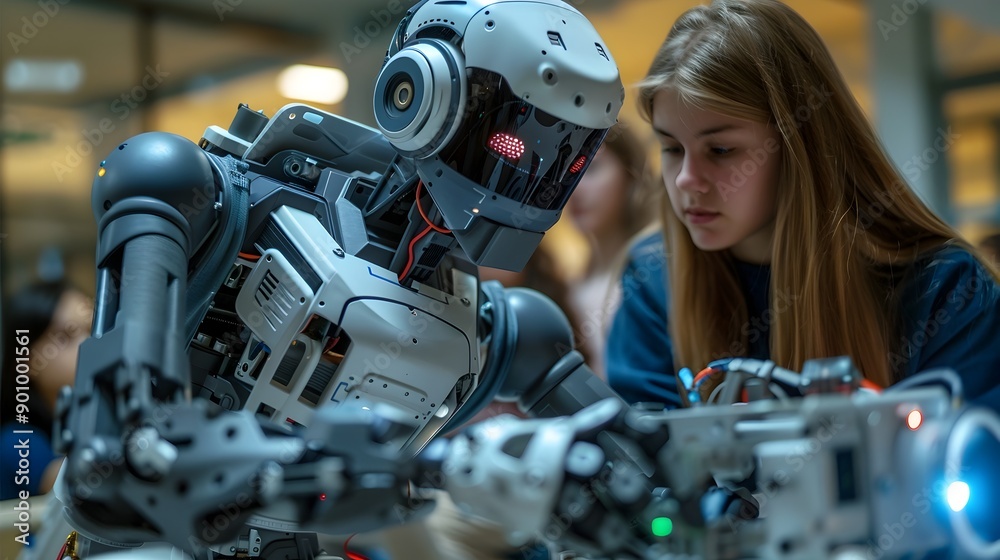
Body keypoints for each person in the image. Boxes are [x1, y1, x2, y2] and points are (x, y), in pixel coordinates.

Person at [606, 0, 1000, 412]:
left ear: (800, 147)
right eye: (670, 148)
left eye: (720, 149)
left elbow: (969, 456)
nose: (686, 178)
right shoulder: (652, 281)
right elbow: (642, 463)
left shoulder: (946, 290)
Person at [564, 122, 659, 378]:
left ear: (631, 174)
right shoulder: (571, 283)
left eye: (591, 169)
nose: (573, 189)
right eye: (564, 174)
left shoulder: (655, 264)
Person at [1, 281, 93, 500]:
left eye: (91, 329)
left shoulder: (75, 425)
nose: (88, 343)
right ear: (26, 361)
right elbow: (74, 482)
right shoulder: (15, 439)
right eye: (66, 337)